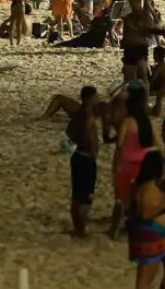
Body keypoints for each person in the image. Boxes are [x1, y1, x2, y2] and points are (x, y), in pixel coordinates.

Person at [111, 84, 156, 238]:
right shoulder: (145, 121)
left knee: (121, 199)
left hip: (126, 164)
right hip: (142, 163)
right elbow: (154, 142)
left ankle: (114, 230)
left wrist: (115, 165)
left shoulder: (127, 122)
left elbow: (120, 144)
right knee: (138, 198)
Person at [129, 152, 165, 289]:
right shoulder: (147, 190)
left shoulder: (141, 186)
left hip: (155, 235)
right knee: (145, 279)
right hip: (153, 235)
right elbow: (145, 215)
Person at [66, 86, 100, 238]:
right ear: (89, 98)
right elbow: (88, 135)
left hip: (77, 155)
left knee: (76, 196)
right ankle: (81, 230)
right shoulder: (88, 116)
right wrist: (91, 149)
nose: (97, 99)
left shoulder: (78, 113)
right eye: (95, 96)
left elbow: (69, 131)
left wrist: (78, 141)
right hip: (86, 157)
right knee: (85, 198)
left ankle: (76, 228)